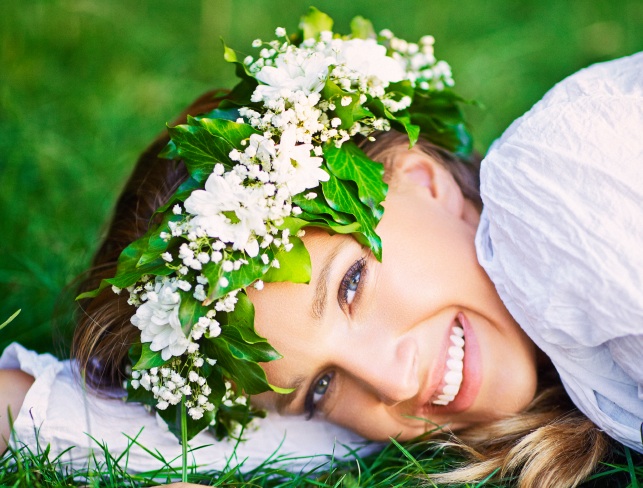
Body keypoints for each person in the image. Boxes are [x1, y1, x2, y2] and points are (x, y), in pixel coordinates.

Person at [1, 9, 642, 488]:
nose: (392, 384)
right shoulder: (462, 398)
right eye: (321, 389)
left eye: (350, 285)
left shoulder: (563, 178)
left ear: (421, 180)